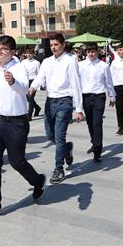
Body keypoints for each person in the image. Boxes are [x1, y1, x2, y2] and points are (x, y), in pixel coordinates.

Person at [0, 35, 45, 222]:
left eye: (4, 48)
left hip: (15, 123)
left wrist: (13, 82)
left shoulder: (19, 68)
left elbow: (25, 90)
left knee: (17, 162)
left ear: (13, 51)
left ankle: (37, 180)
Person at [30, 33, 83, 184]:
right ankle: (66, 148)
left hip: (64, 102)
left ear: (63, 45)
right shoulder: (47, 61)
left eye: (56, 44)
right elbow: (40, 77)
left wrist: (78, 109)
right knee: (50, 135)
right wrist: (33, 87)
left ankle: (59, 169)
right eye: (51, 45)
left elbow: (76, 84)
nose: (53, 47)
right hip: (50, 102)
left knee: (59, 137)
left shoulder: (70, 61)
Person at [78, 43, 115, 162]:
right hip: (86, 97)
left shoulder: (104, 66)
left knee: (97, 123)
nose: (91, 54)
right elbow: (76, 83)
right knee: (90, 123)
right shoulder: (80, 65)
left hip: (99, 97)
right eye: (89, 52)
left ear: (97, 52)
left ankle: (98, 150)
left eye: (93, 52)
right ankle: (94, 143)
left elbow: (109, 82)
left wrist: (112, 96)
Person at [22, 48, 42, 120]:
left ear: (33, 54)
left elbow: (39, 74)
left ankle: (29, 115)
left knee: (30, 98)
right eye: (27, 53)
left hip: (33, 81)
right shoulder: (23, 62)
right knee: (27, 98)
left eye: (30, 53)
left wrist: (38, 84)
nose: (29, 55)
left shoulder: (37, 63)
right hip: (25, 81)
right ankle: (37, 108)